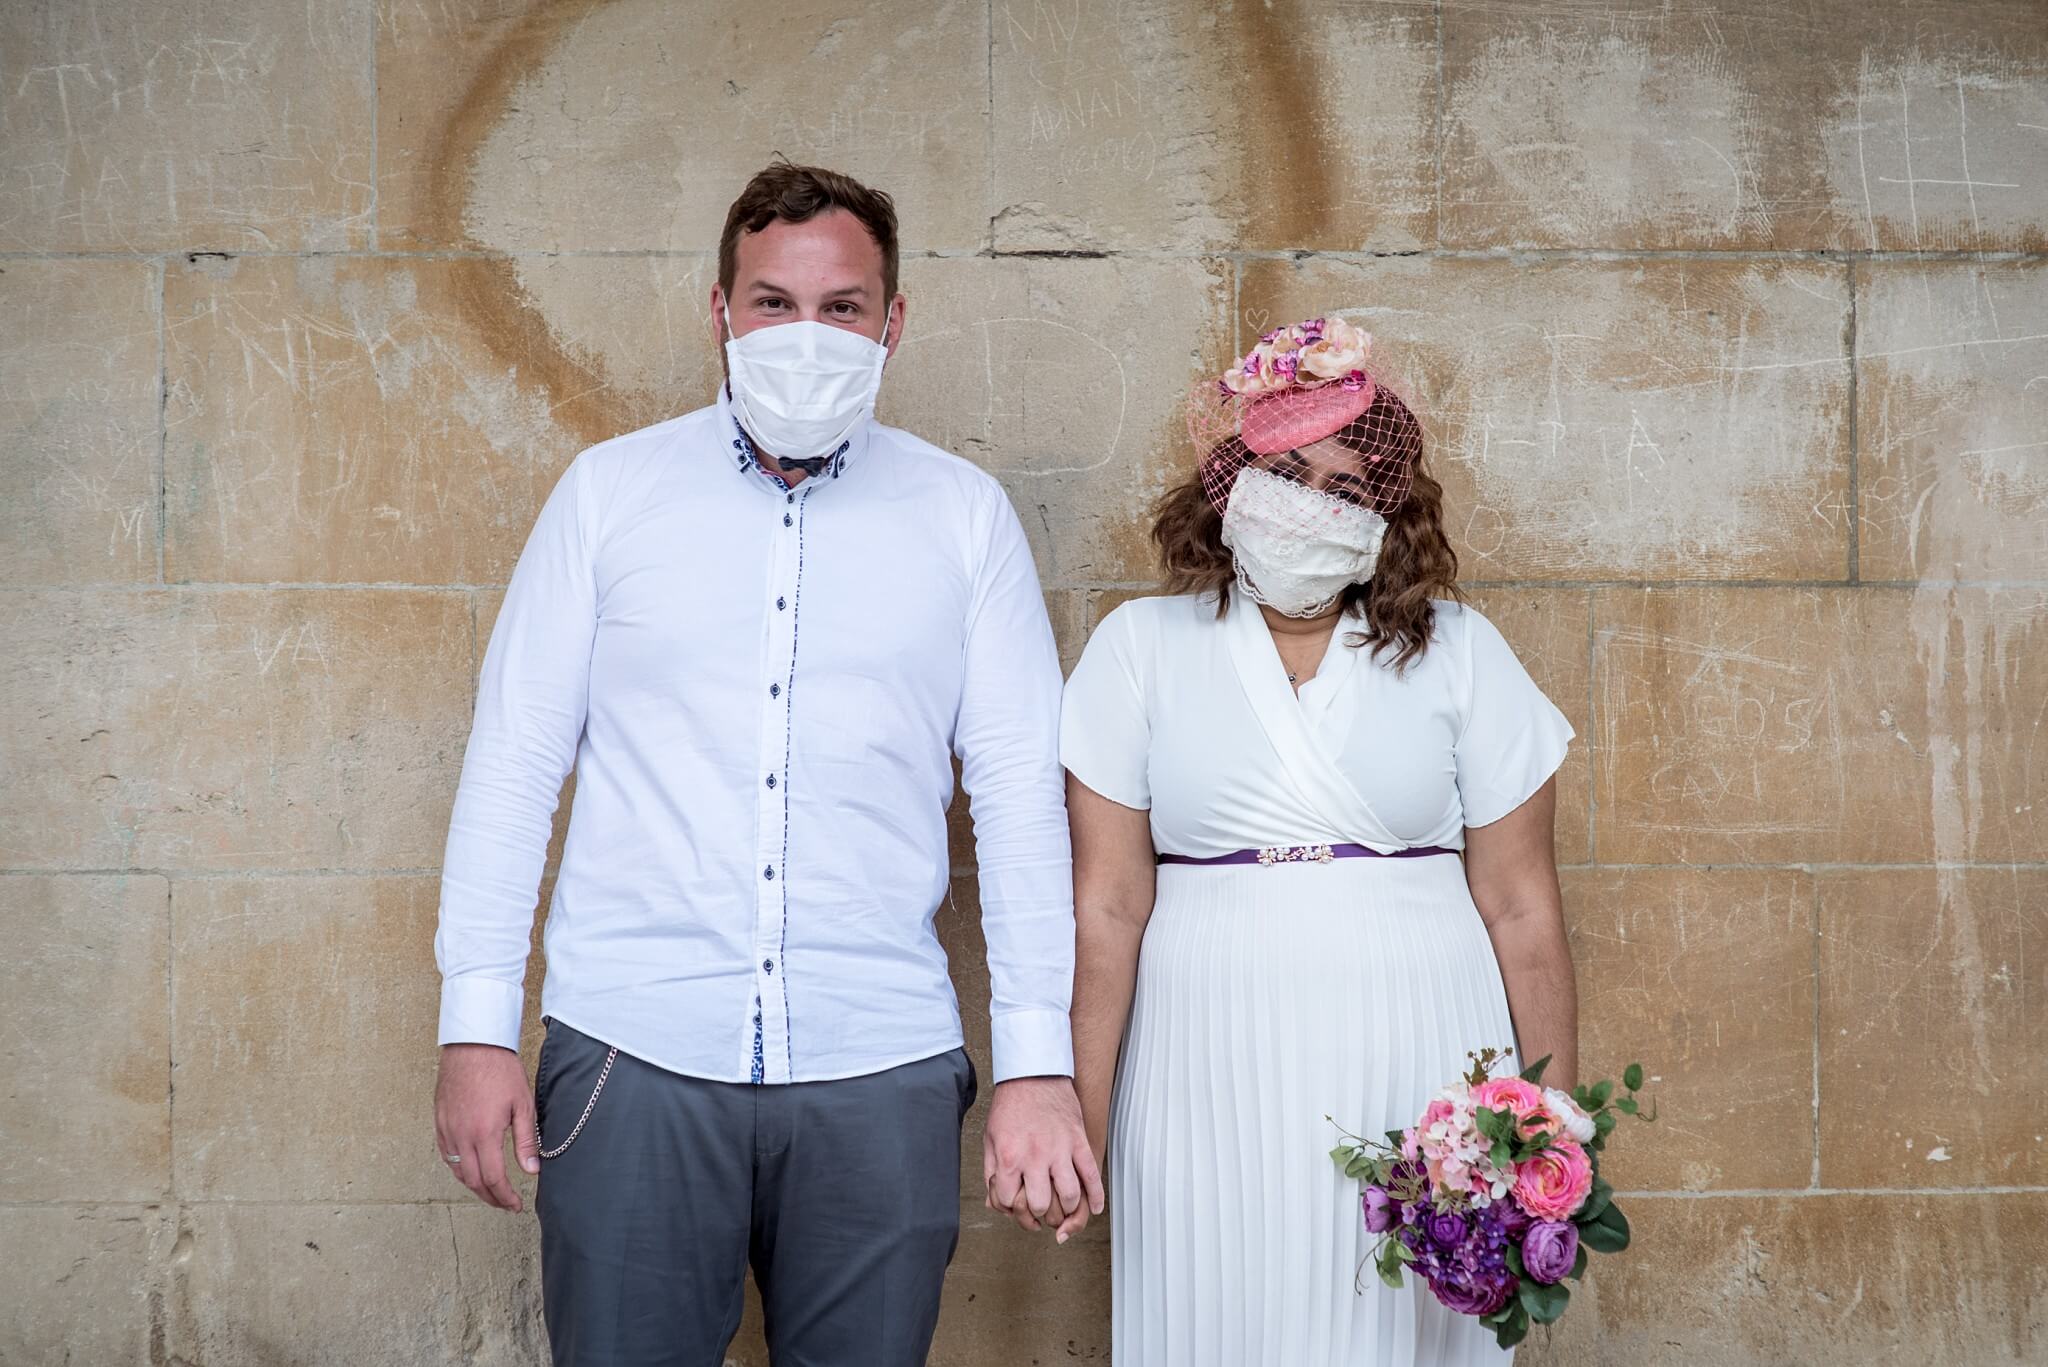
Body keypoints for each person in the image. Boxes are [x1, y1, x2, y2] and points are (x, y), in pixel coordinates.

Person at [431, 162, 1100, 1367]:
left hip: (877, 1061)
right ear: (719, 313)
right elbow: (512, 765)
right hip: (630, 1049)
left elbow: (1016, 802)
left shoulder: (963, 517)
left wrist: (1036, 1065)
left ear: (893, 323)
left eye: (841, 306)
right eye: (772, 302)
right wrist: (474, 1026)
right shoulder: (609, 496)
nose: (806, 333)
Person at [1063, 317, 1578, 1366]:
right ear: (1230, 482)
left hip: (1417, 1049)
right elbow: (1105, 906)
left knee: (1395, 1327)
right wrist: (1081, 1117)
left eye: (1341, 488)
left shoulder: (1462, 654)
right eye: (1283, 473)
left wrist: (1546, 1126)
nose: (1306, 505)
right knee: (1214, 1303)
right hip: (1198, 1060)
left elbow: (1521, 904)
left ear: (1386, 516)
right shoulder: (1137, 650)